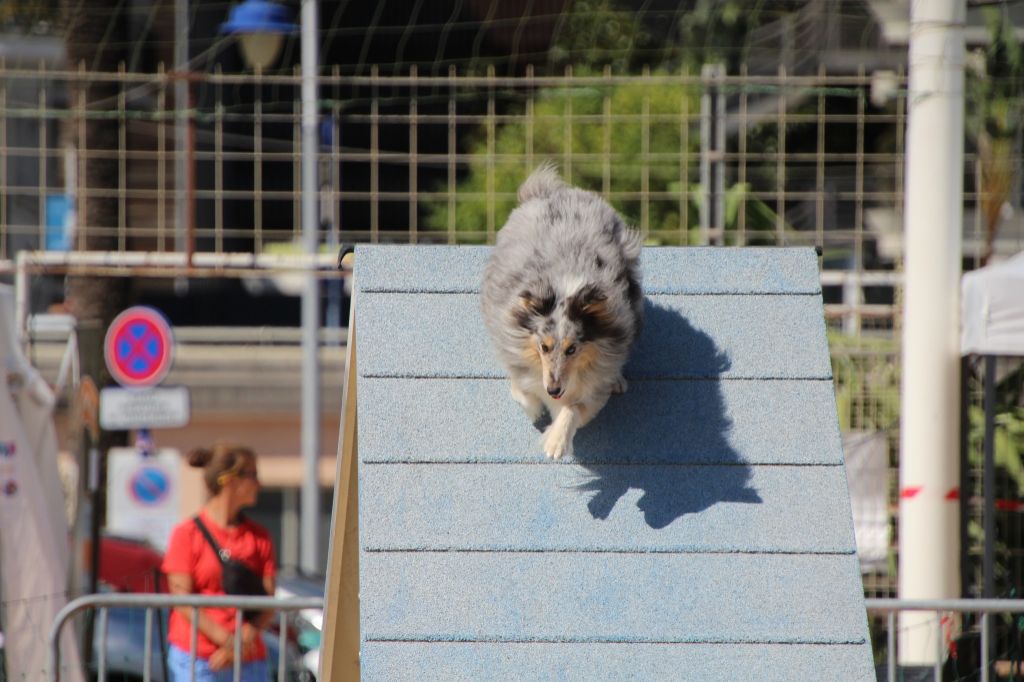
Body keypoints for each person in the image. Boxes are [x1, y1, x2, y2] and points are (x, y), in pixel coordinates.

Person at [162, 442, 276, 681]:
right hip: (198, 659)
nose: (259, 484)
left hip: (248, 659)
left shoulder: (260, 537)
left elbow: (268, 601)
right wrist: (227, 642)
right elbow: (181, 599)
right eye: (252, 475)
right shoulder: (187, 534)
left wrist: (242, 641)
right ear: (230, 480)